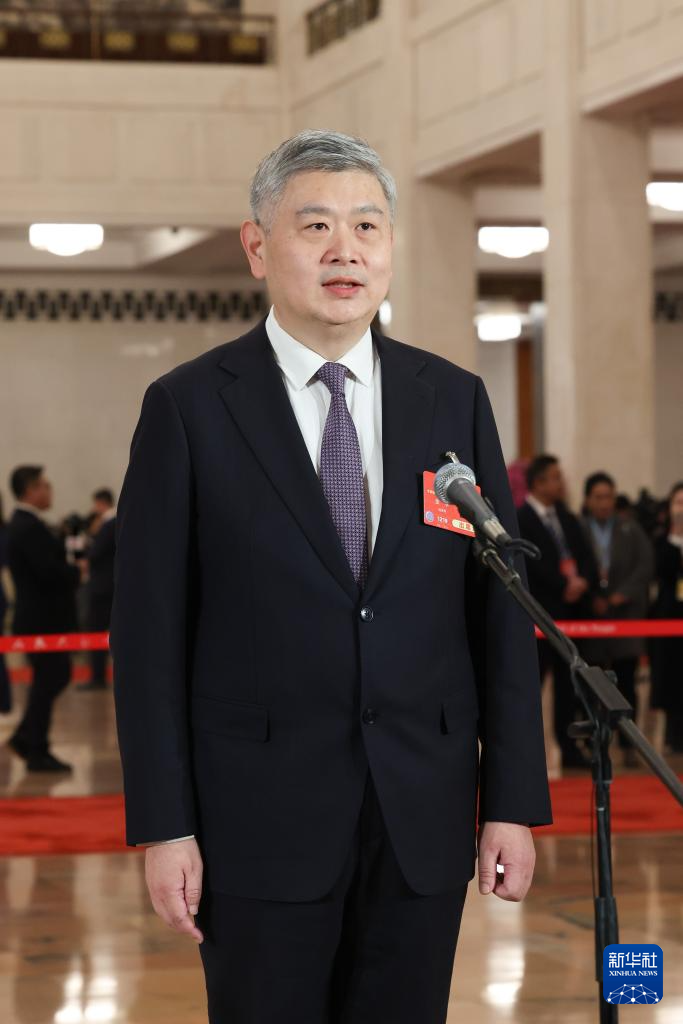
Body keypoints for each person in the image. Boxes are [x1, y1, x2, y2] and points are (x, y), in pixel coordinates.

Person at [110, 129, 552, 1024]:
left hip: (420, 814)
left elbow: (497, 614)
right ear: (258, 245)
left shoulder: (450, 397)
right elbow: (149, 636)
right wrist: (165, 824)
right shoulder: (190, 409)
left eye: (367, 226)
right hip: (256, 821)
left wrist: (510, 802)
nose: (345, 250)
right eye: (315, 226)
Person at [518, 454, 598, 770]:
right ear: (538, 483)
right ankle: (526, 750)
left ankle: (569, 747)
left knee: (569, 685)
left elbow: (586, 556)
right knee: (531, 685)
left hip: (571, 613)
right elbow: (530, 563)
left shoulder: (566, 517)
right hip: (540, 613)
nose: (561, 483)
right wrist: (563, 583)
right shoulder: (521, 518)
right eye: (555, 477)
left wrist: (582, 582)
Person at [4, 465, 83, 771]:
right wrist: (77, 572)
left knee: (51, 679)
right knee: (50, 679)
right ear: (30, 490)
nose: (50, 491)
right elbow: (48, 572)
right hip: (41, 620)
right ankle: (35, 749)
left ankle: (27, 738)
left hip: (42, 618)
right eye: (44, 486)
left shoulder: (28, 524)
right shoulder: (27, 526)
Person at [580, 472, 654, 767]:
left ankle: (628, 743)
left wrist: (623, 594)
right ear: (588, 500)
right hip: (591, 619)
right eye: (598, 497)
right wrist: (592, 597)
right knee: (592, 684)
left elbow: (645, 566)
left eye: (608, 496)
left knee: (626, 683)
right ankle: (594, 743)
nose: (604, 503)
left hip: (625, 618)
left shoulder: (629, 528)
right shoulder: (579, 528)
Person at [649, 481, 683, 754]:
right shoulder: (661, 539)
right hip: (669, 613)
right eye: (678, 503)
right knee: (672, 675)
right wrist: (676, 535)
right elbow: (661, 569)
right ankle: (674, 735)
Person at [78, 488, 116, 692]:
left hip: (102, 587)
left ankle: (98, 676)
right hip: (111, 585)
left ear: (102, 503)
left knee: (95, 630)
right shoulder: (117, 522)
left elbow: (95, 553)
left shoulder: (108, 524)